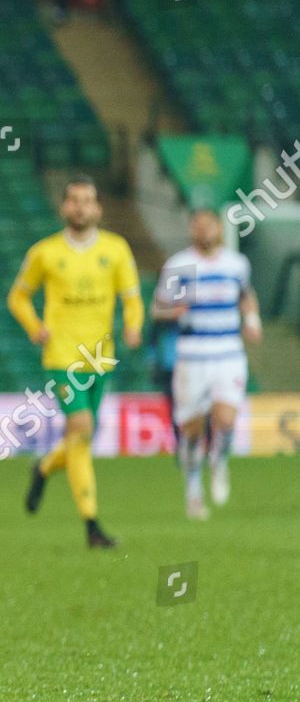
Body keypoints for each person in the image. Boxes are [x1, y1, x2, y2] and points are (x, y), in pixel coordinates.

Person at [11, 177, 143, 547]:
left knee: (80, 439)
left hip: (101, 358)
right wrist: (34, 326)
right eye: (74, 200)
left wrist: (133, 327)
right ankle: (92, 525)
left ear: (98, 208)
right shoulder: (45, 253)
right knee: (82, 429)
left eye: (88, 201)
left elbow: (132, 298)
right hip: (62, 356)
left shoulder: (116, 250)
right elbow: (18, 297)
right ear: (64, 207)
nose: (81, 207)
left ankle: (43, 467)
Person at [152, 208, 262, 520]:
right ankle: (193, 492)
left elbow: (246, 294)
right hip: (192, 353)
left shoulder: (236, 264)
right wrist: (170, 313)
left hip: (228, 350)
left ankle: (220, 460)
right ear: (191, 230)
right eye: (197, 226)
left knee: (226, 419)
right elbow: (157, 308)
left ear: (219, 228)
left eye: (208, 225)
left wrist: (252, 318)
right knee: (191, 428)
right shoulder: (179, 265)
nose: (203, 231)